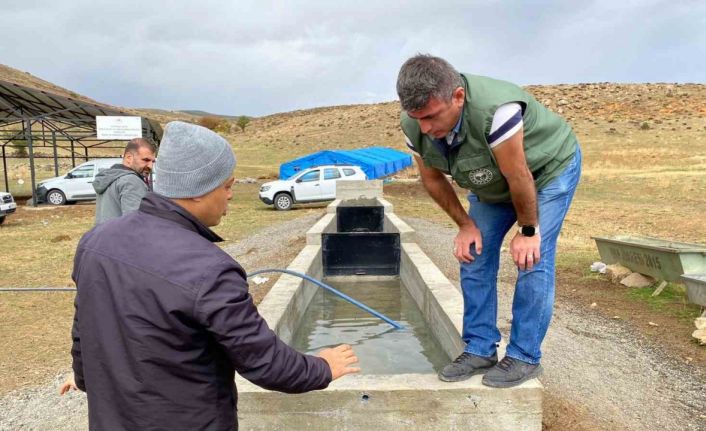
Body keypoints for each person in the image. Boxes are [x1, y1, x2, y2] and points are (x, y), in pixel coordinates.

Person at [67, 121, 359, 430]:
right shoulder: (210, 269)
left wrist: (86, 379)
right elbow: (266, 362)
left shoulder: (96, 242)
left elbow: (82, 329)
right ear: (197, 190)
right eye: (227, 185)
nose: (231, 195)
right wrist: (323, 366)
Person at [397, 54, 582, 388]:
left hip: (546, 172)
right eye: (416, 118)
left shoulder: (497, 113)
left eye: (431, 116)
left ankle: (525, 356)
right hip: (493, 183)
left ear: (458, 97)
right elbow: (434, 180)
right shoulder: (415, 125)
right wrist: (465, 225)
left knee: (532, 259)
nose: (425, 128)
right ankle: (480, 348)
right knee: (474, 254)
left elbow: (519, 175)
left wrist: (528, 230)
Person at [92, 138, 156, 225]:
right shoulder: (131, 181)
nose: (150, 166)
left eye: (153, 161)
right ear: (129, 158)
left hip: (103, 236)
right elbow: (136, 225)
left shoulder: (110, 177)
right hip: (121, 237)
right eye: (146, 160)